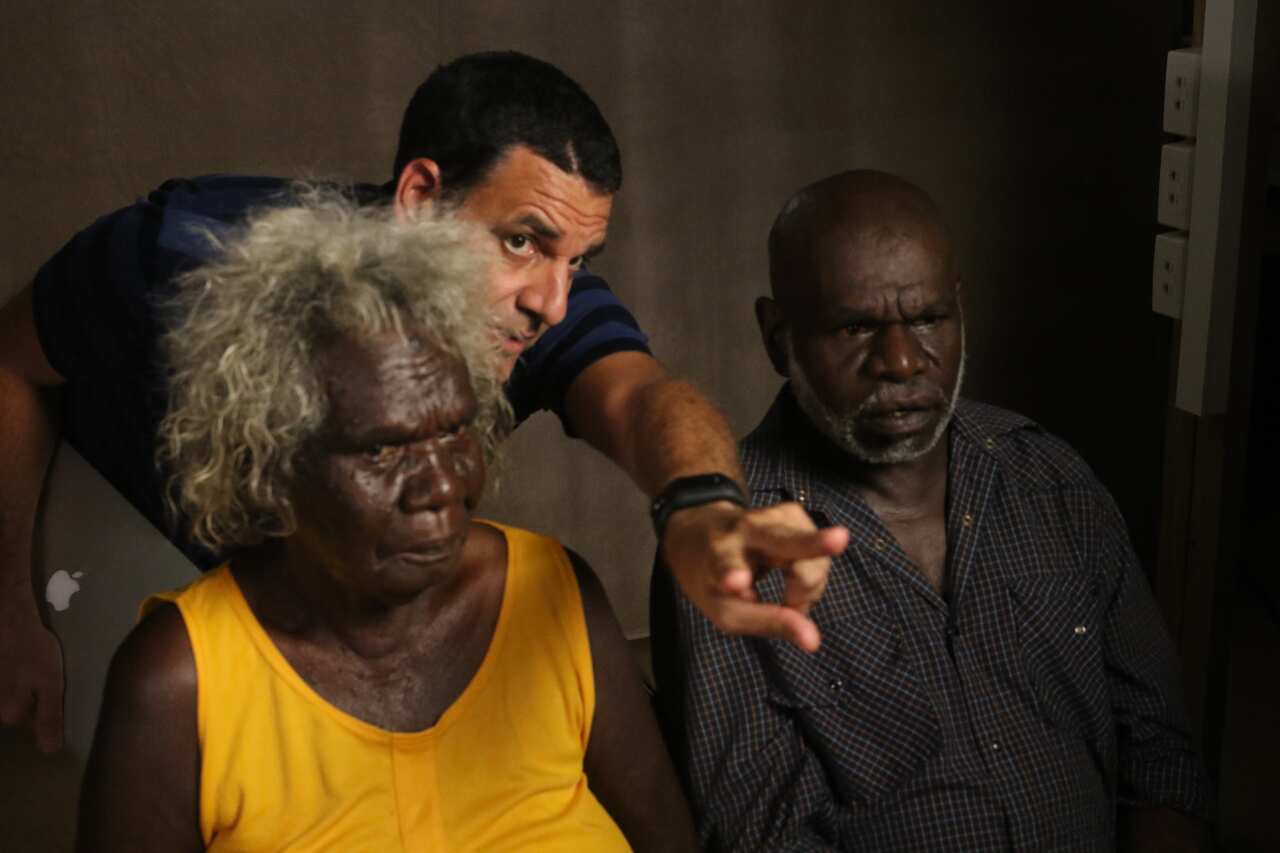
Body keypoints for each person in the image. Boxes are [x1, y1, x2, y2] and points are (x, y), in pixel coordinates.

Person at [0, 50, 847, 752]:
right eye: (521, 240)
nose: (551, 299)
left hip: (301, 628)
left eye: (577, 259)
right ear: (417, 199)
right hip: (107, 563)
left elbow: (641, 396)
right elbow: (9, 367)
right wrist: (10, 609)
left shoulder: (533, 307)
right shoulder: (183, 253)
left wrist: (704, 506)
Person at [76, 193, 698, 851]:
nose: (442, 484)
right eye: (381, 449)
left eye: (455, 429)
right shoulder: (181, 681)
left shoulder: (551, 593)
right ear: (275, 461)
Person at [653, 170, 1212, 851]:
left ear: (959, 310)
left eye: (926, 319)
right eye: (855, 326)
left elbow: (1160, 755)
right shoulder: (729, 546)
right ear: (778, 336)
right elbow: (763, 835)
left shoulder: (1052, 483)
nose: (900, 360)